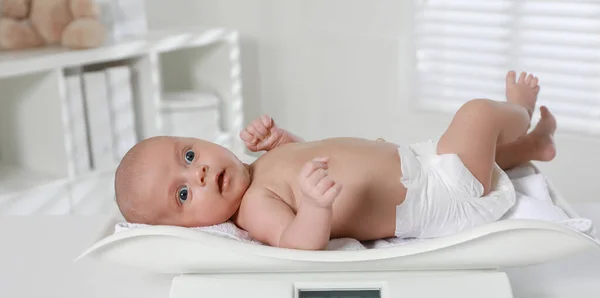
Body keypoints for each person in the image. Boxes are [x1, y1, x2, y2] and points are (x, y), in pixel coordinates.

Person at [114, 71, 556, 250]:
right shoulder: (253, 208)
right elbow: (296, 243)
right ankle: (519, 110)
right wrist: (314, 207)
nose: (201, 171)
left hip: (419, 164)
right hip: (437, 199)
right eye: (185, 192)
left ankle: (533, 146)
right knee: (477, 116)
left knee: (461, 145)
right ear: (191, 228)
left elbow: (322, 161)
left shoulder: (259, 168)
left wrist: (285, 142)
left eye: (189, 155)